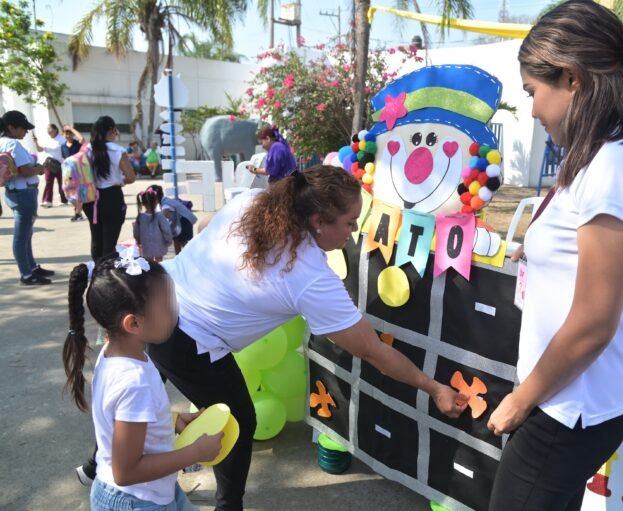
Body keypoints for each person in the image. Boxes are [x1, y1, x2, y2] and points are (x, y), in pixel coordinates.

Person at [145, 165, 467, 510]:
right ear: (317, 220)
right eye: (348, 221)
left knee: (140, 390)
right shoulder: (310, 277)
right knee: (239, 420)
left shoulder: (255, 201)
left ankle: (96, 466)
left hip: (152, 299)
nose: (355, 229)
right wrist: (435, 388)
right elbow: (373, 351)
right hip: (188, 340)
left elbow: (207, 223)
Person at [485, 3, 623, 510]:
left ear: (571, 78)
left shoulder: (616, 161)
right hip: (573, 400)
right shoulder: (619, 149)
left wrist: (520, 401)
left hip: (567, 407)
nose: (531, 110)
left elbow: (594, 322)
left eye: (532, 92)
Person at [63, 254, 223, 511]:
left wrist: (170, 420)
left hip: (153, 491)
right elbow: (126, 471)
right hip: (136, 500)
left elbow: (122, 419)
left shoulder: (115, 353)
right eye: (167, 306)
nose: (176, 309)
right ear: (134, 323)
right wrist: (196, 452)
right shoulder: (133, 382)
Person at [1, 110, 53, 285]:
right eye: (23, 128)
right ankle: (27, 274)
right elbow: (25, 171)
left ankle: (31, 268)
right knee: (22, 236)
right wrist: (39, 168)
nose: (25, 132)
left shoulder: (2, 143)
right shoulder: (13, 145)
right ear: (11, 127)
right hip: (23, 193)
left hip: (13, 192)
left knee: (25, 234)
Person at [84, 116, 136, 262]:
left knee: (96, 238)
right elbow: (131, 177)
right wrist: (120, 181)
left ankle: (96, 271)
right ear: (113, 130)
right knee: (110, 242)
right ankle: (106, 275)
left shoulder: (88, 149)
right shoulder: (118, 151)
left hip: (91, 198)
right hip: (112, 197)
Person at [148, 184, 198, 254]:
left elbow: (164, 215)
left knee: (182, 242)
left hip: (182, 222)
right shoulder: (165, 200)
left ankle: (188, 257)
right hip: (183, 221)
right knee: (177, 240)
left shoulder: (165, 204)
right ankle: (180, 257)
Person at [133, 188, 173, 262]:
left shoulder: (140, 217)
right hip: (159, 244)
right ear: (156, 202)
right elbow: (166, 230)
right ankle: (159, 272)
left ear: (143, 203)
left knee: (149, 262)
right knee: (159, 261)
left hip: (146, 244)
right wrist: (169, 240)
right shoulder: (160, 216)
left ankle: (151, 272)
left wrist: (138, 240)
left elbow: (136, 231)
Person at [33, 123, 67, 208]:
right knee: (48, 182)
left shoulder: (61, 139)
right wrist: (36, 141)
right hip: (49, 164)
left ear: (55, 130)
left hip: (60, 164)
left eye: (50, 129)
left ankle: (64, 200)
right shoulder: (46, 140)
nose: (48, 131)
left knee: (61, 183)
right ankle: (47, 201)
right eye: (47, 129)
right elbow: (40, 150)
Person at [62, 125, 86, 221]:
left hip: (78, 171)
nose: (67, 136)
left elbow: (82, 139)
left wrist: (71, 129)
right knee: (67, 193)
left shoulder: (77, 144)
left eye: (69, 134)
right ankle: (78, 210)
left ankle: (78, 213)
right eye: (66, 134)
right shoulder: (62, 146)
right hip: (67, 171)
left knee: (78, 193)